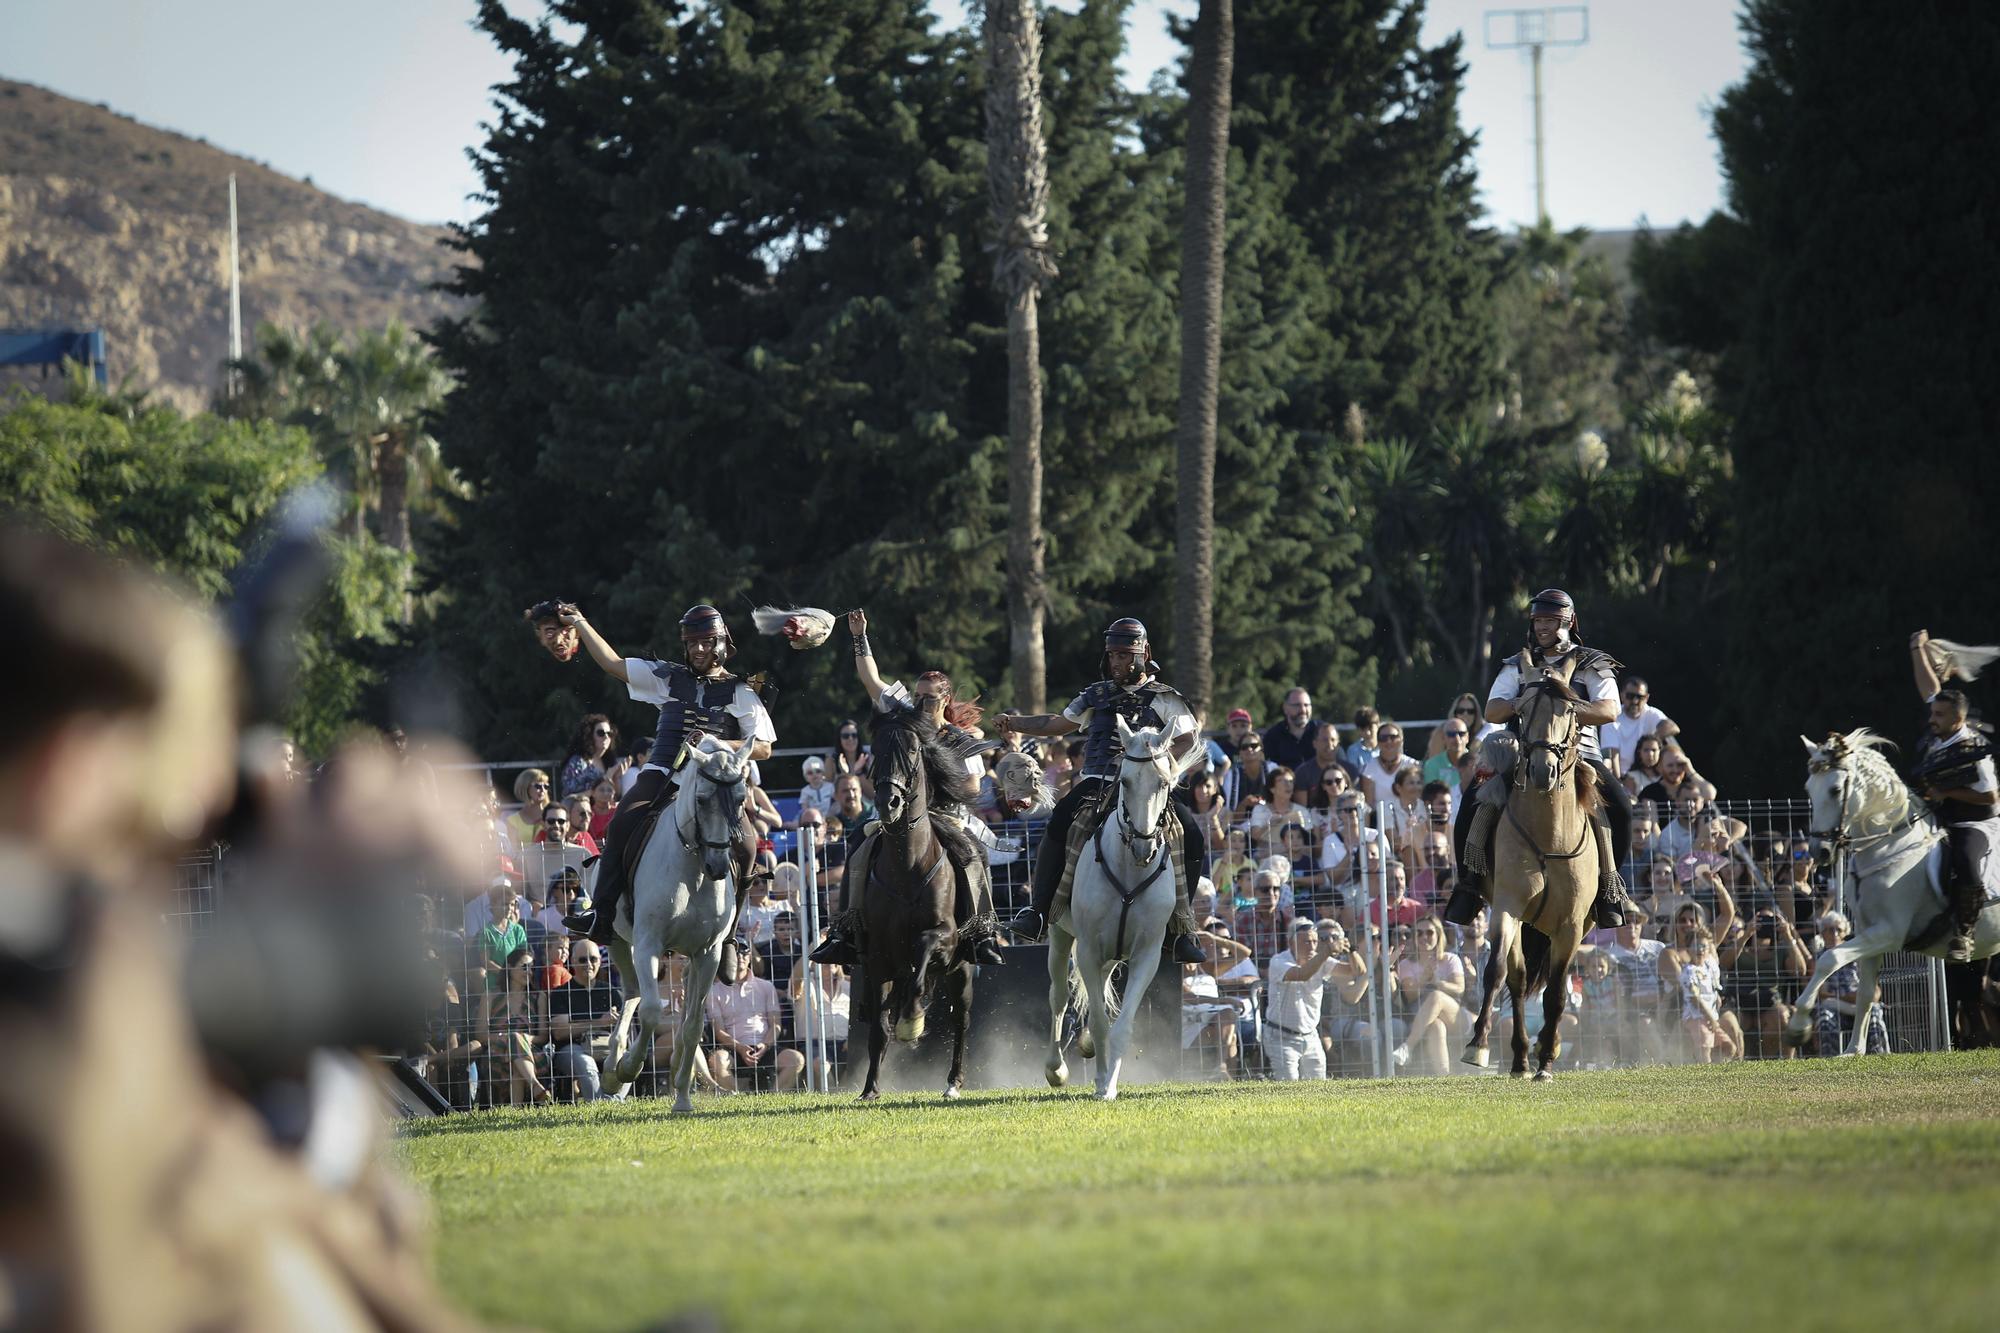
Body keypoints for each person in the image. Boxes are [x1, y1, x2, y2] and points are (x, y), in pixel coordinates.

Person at [555, 603, 775, 944]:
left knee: (747, 848)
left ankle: (729, 935)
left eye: (705, 642)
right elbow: (613, 664)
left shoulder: (742, 692)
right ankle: (601, 911)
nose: (697, 649)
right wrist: (581, 622)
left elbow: (763, 748)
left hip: (712, 782)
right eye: (691, 643)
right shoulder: (667, 677)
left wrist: (717, 741)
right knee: (621, 824)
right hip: (661, 773)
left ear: (721, 643)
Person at [999, 617, 1207, 964]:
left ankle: (1181, 931)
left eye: (1125, 655)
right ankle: (1036, 912)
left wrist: (1158, 765)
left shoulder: (1165, 698)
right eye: (1112, 655)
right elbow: (1056, 725)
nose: (1116, 662)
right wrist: (1014, 723)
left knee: (1194, 836)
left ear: (1144, 654)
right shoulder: (1095, 695)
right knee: (1059, 821)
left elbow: (1188, 738)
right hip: (1097, 781)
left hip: (1147, 787)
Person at [809, 609, 1004, 966]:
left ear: (944, 699)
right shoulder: (904, 715)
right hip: (899, 814)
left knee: (974, 852)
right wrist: (859, 636)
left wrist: (942, 789)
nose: (920, 702)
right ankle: (845, 930)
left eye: (929, 697)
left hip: (945, 815)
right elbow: (871, 678)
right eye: (918, 695)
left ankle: (981, 932)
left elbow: (974, 786)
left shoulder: (958, 739)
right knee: (859, 846)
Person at [1446, 588, 1635, 929]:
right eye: (1538, 621)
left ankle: (1610, 887)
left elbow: (1610, 709)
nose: (1543, 627)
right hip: (1524, 751)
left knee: (1621, 808)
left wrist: (1565, 707)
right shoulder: (1517, 664)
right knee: (1474, 799)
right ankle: (1468, 884)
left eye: (1551, 620)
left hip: (1581, 753)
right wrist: (1521, 704)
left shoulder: (1593, 663)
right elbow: (1492, 709)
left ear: (1569, 622)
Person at [1909, 630, 1999, 962]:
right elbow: (1929, 690)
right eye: (1933, 714)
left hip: (1975, 823)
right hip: (1939, 815)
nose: (1931, 718)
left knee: (1966, 861)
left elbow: (1991, 797)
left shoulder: (1976, 752)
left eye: (1938, 715)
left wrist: (1946, 793)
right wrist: (1916, 649)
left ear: (1958, 719)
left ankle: (1965, 933)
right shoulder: (1940, 728)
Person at [704, 939, 805, 1091]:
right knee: (717, 1060)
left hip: (764, 1045)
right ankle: (738, 1098)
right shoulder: (714, 991)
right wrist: (740, 1048)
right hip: (733, 1048)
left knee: (796, 1059)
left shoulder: (766, 986)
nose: (740, 956)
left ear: (750, 957)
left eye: (744, 953)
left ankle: (773, 1099)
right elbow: (718, 1031)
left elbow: (776, 1024)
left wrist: (765, 1045)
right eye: (735, 953)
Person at [1388, 915, 1466, 1072]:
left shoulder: (1450, 959)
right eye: (1419, 933)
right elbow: (1410, 995)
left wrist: (1437, 982)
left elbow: (1459, 988)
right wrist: (1424, 977)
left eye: (1430, 933)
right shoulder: (1406, 964)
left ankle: (1408, 1047)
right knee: (1436, 1026)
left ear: (1438, 935)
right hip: (1422, 1019)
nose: (1424, 937)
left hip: (1455, 1016)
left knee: (1436, 996)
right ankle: (1444, 1079)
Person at [1264, 918, 1340, 1080]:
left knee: (1319, 1086)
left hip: (1310, 1035)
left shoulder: (1320, 959)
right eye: (1306, 942)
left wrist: (1351, 949)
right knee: (1289, 1087)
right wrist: (1326, 952)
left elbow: (1355, 971)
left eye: (1314, 941)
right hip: (1281, 1036)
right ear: (1291, 943)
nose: (1312, 946)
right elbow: (1302, 974)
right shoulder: (1278, 961)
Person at [549, 939, 623, 1101]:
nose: (588, 964)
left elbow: (626, 1031)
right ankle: (601, 1107)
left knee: (627, 1060)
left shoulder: (612, 992)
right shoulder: (560, 993)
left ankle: (610, 1105)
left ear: (600, 961)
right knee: (586, 1063)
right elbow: (560, 1032)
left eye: (593, 959)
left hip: (606, 1045)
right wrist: (599, 1022)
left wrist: (615, 1022)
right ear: (572, 962)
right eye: (582, 959)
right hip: (571, 1048)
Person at [1599, 677, 1679, 779]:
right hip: (1626, 775)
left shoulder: (1651, 713)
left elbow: (1673, 727)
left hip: (1651, 773)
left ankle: (1684, 776)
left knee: (1670, 740)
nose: (1635, 701)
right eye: (1630, 696)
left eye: (1640, 697)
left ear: (1646, 698)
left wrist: (1651, 741)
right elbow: (1613, 755)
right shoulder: (1612, 717)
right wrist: (1619, 783)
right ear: (1622, 696)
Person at [557, 713, 624, 798]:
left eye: (609, 733)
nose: (606, 737)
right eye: (601, 733)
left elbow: (616, 796)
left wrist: (616, 778)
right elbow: (568, 797)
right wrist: (606, 778)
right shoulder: (578, 762)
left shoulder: (610, 762)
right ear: (589, 735)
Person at [1261, 688, 1322, 771]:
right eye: (1297, 705)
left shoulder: (1323, 732)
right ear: (1285, 708)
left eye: (1306, 705)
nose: (1303, 710)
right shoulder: (1273, 737)